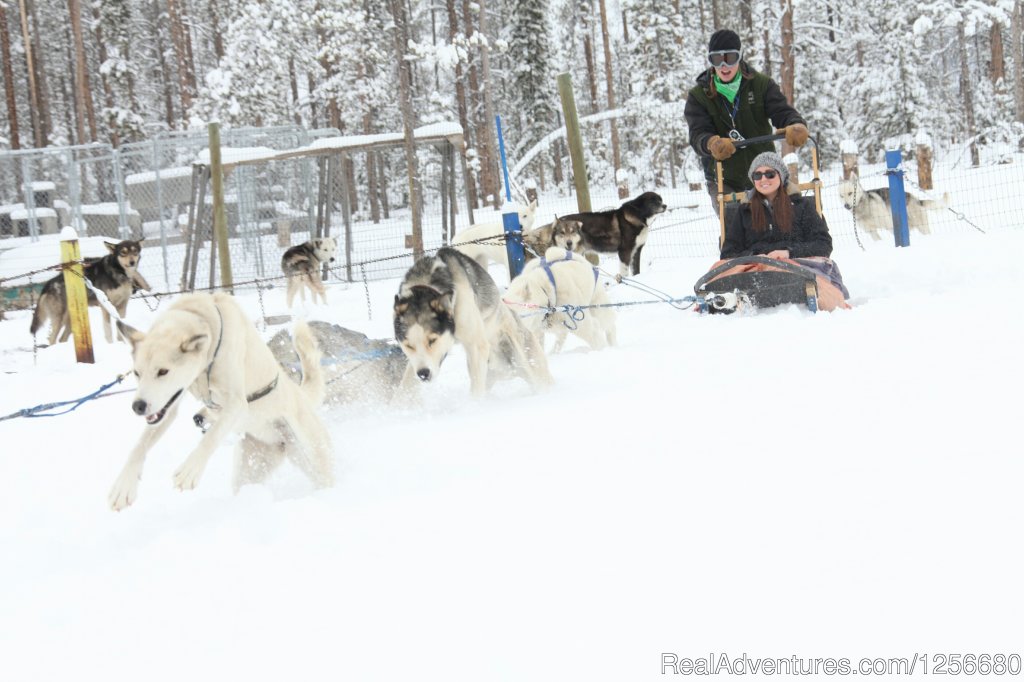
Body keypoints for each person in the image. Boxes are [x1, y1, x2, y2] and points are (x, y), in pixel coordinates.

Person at [684, 29, 808, 212]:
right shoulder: (699, 96)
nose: (724, 66)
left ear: (740, 56)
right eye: (717, 59)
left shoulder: (761, 85)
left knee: (778, 223)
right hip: (724, 178)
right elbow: (697, 134)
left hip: (764, 172)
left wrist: (795, 124)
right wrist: (711, 143)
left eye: (730, 58)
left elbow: (782, 112)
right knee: (736, 229)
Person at [715, 151, 850, 309]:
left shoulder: (802, 206)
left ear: (781, 176)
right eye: (757, 175)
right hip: (755, 267)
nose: (763, 179)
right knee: (718, 269)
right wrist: (756, 257)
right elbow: (728, 253)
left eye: (770, 174)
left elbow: (823, 245)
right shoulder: (744, 210)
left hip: (796, 265)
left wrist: (787, 253)